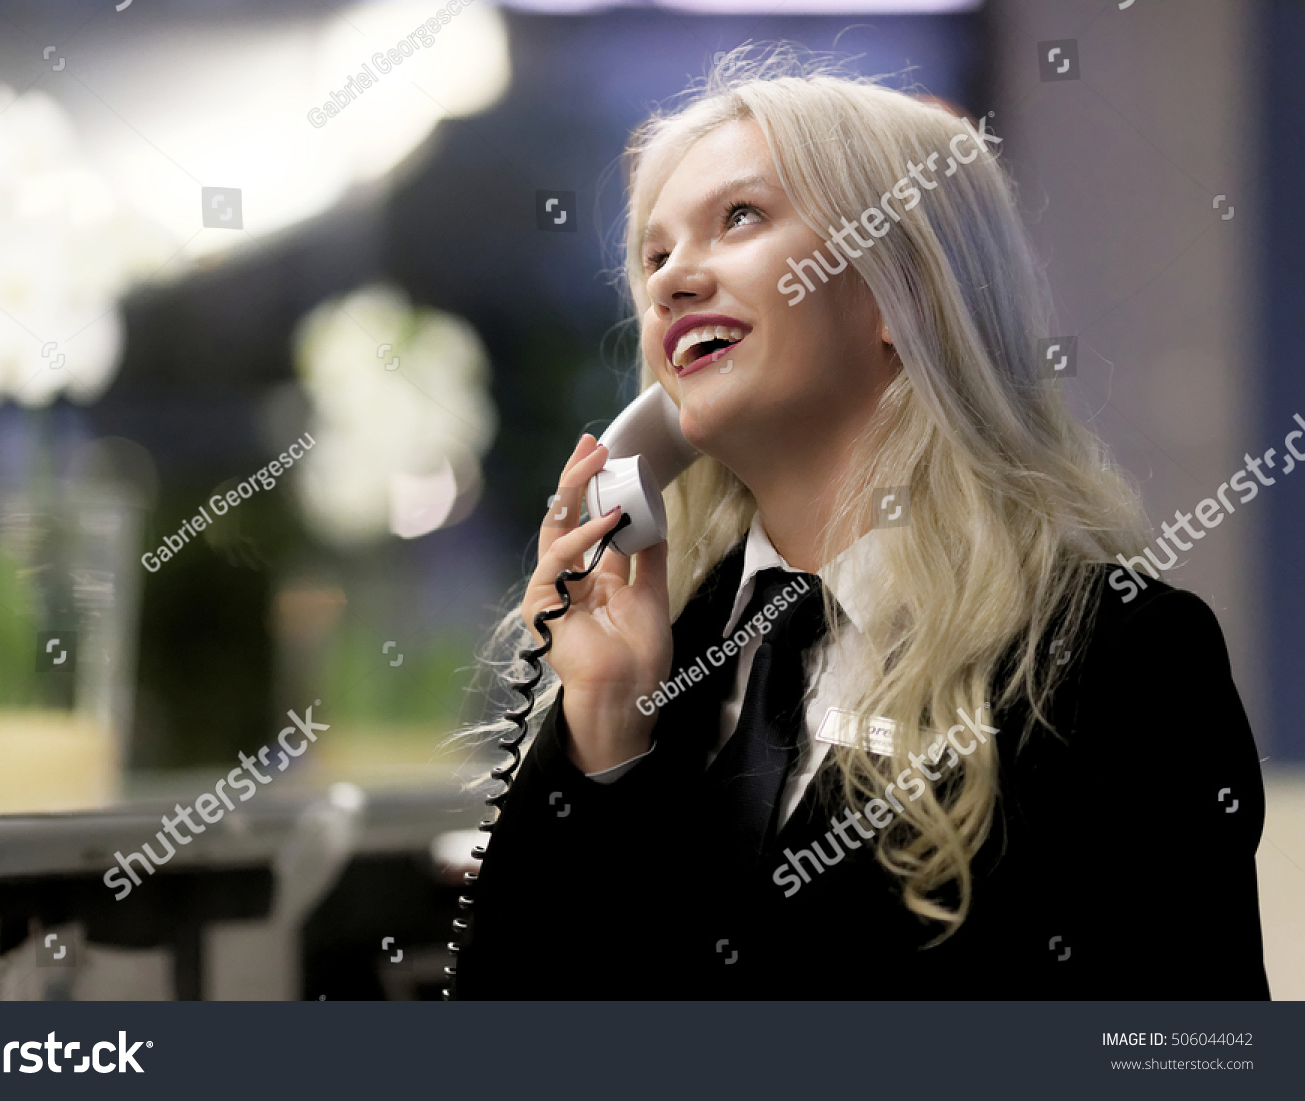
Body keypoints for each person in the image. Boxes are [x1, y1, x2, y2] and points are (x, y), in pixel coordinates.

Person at [452, 53, 1269, 999]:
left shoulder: (1120, 659)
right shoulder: (656, 663)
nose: (672, 281)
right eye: (655, 254)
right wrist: (603, 727)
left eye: (740, 217)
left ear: (900, 292)